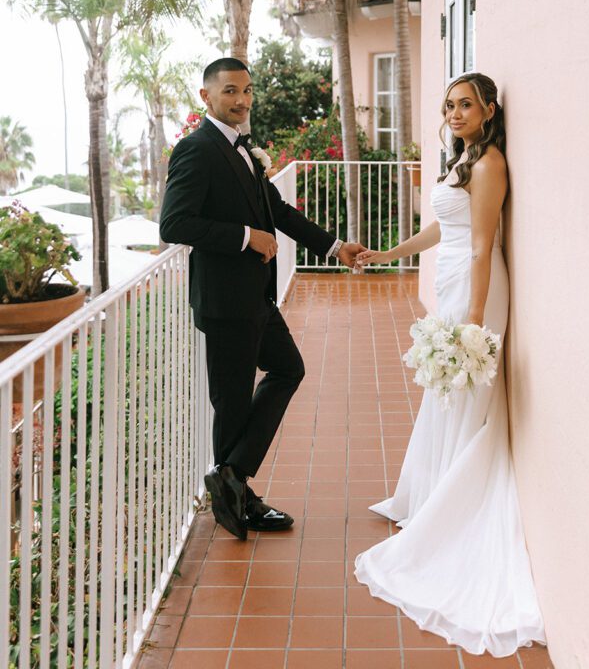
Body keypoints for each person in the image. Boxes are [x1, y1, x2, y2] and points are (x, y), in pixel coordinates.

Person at [354, 72, 547, 657]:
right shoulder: (466, 159)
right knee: (447, 392)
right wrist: (390, 253)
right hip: (455, 279)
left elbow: (484, 243)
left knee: (464, 388)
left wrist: (472, 321)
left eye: (466, 104)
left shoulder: (490, 166)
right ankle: (435, 492)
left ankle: (454, 507)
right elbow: (446, 228)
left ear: (490, 109)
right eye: (449, 105)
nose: (455, 112)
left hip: (476, 288)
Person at [160, 57, 363, 540]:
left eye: (247, 91)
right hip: (226, 301)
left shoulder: (242, 149)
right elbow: (174, 224)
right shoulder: (197, 149)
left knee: (288, 368)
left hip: (255, 297)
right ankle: (238, 498)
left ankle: (230, 479)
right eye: (230, 91)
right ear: (206, 96)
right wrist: (245, 236)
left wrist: (335, 247)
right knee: (231, 403)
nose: (242, 100)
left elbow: (277, 210)